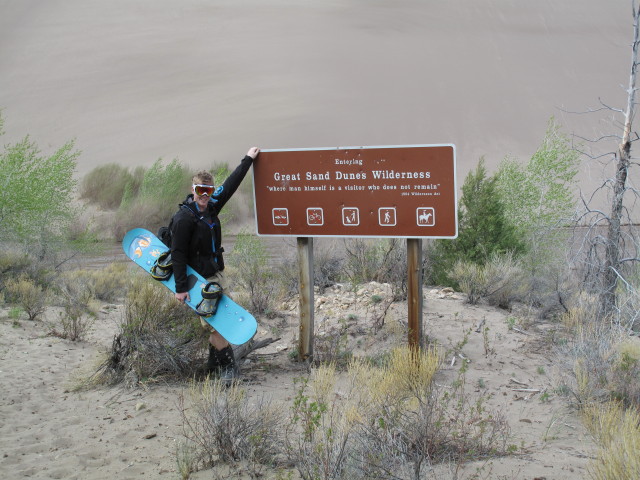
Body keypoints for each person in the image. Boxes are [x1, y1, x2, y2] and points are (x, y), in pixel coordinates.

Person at [171, 146, 260, 383]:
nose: (205, 195)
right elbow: (177, 254)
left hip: (216, 274)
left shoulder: (211, 208)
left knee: (218, 320)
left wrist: (248, 160)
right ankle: (229, 369)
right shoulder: (184, 219)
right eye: (200, 190)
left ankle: (213, 364)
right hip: (198, 281)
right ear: (193, 189)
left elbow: (230, 186)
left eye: (208, 190)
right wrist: (180, 288)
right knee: (218, 324)